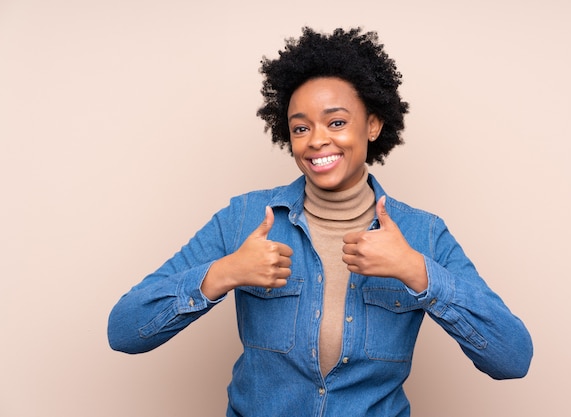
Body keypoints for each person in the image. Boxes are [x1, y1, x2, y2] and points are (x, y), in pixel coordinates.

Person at [108, 27, 533, 416]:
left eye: (336, 122)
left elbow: (512, 358)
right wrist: (224, 272)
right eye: (300, 128)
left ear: (372, 124)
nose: (316, 140)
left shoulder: (424, 234)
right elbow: (125, 330)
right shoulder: (245, 219)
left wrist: (416, 271)